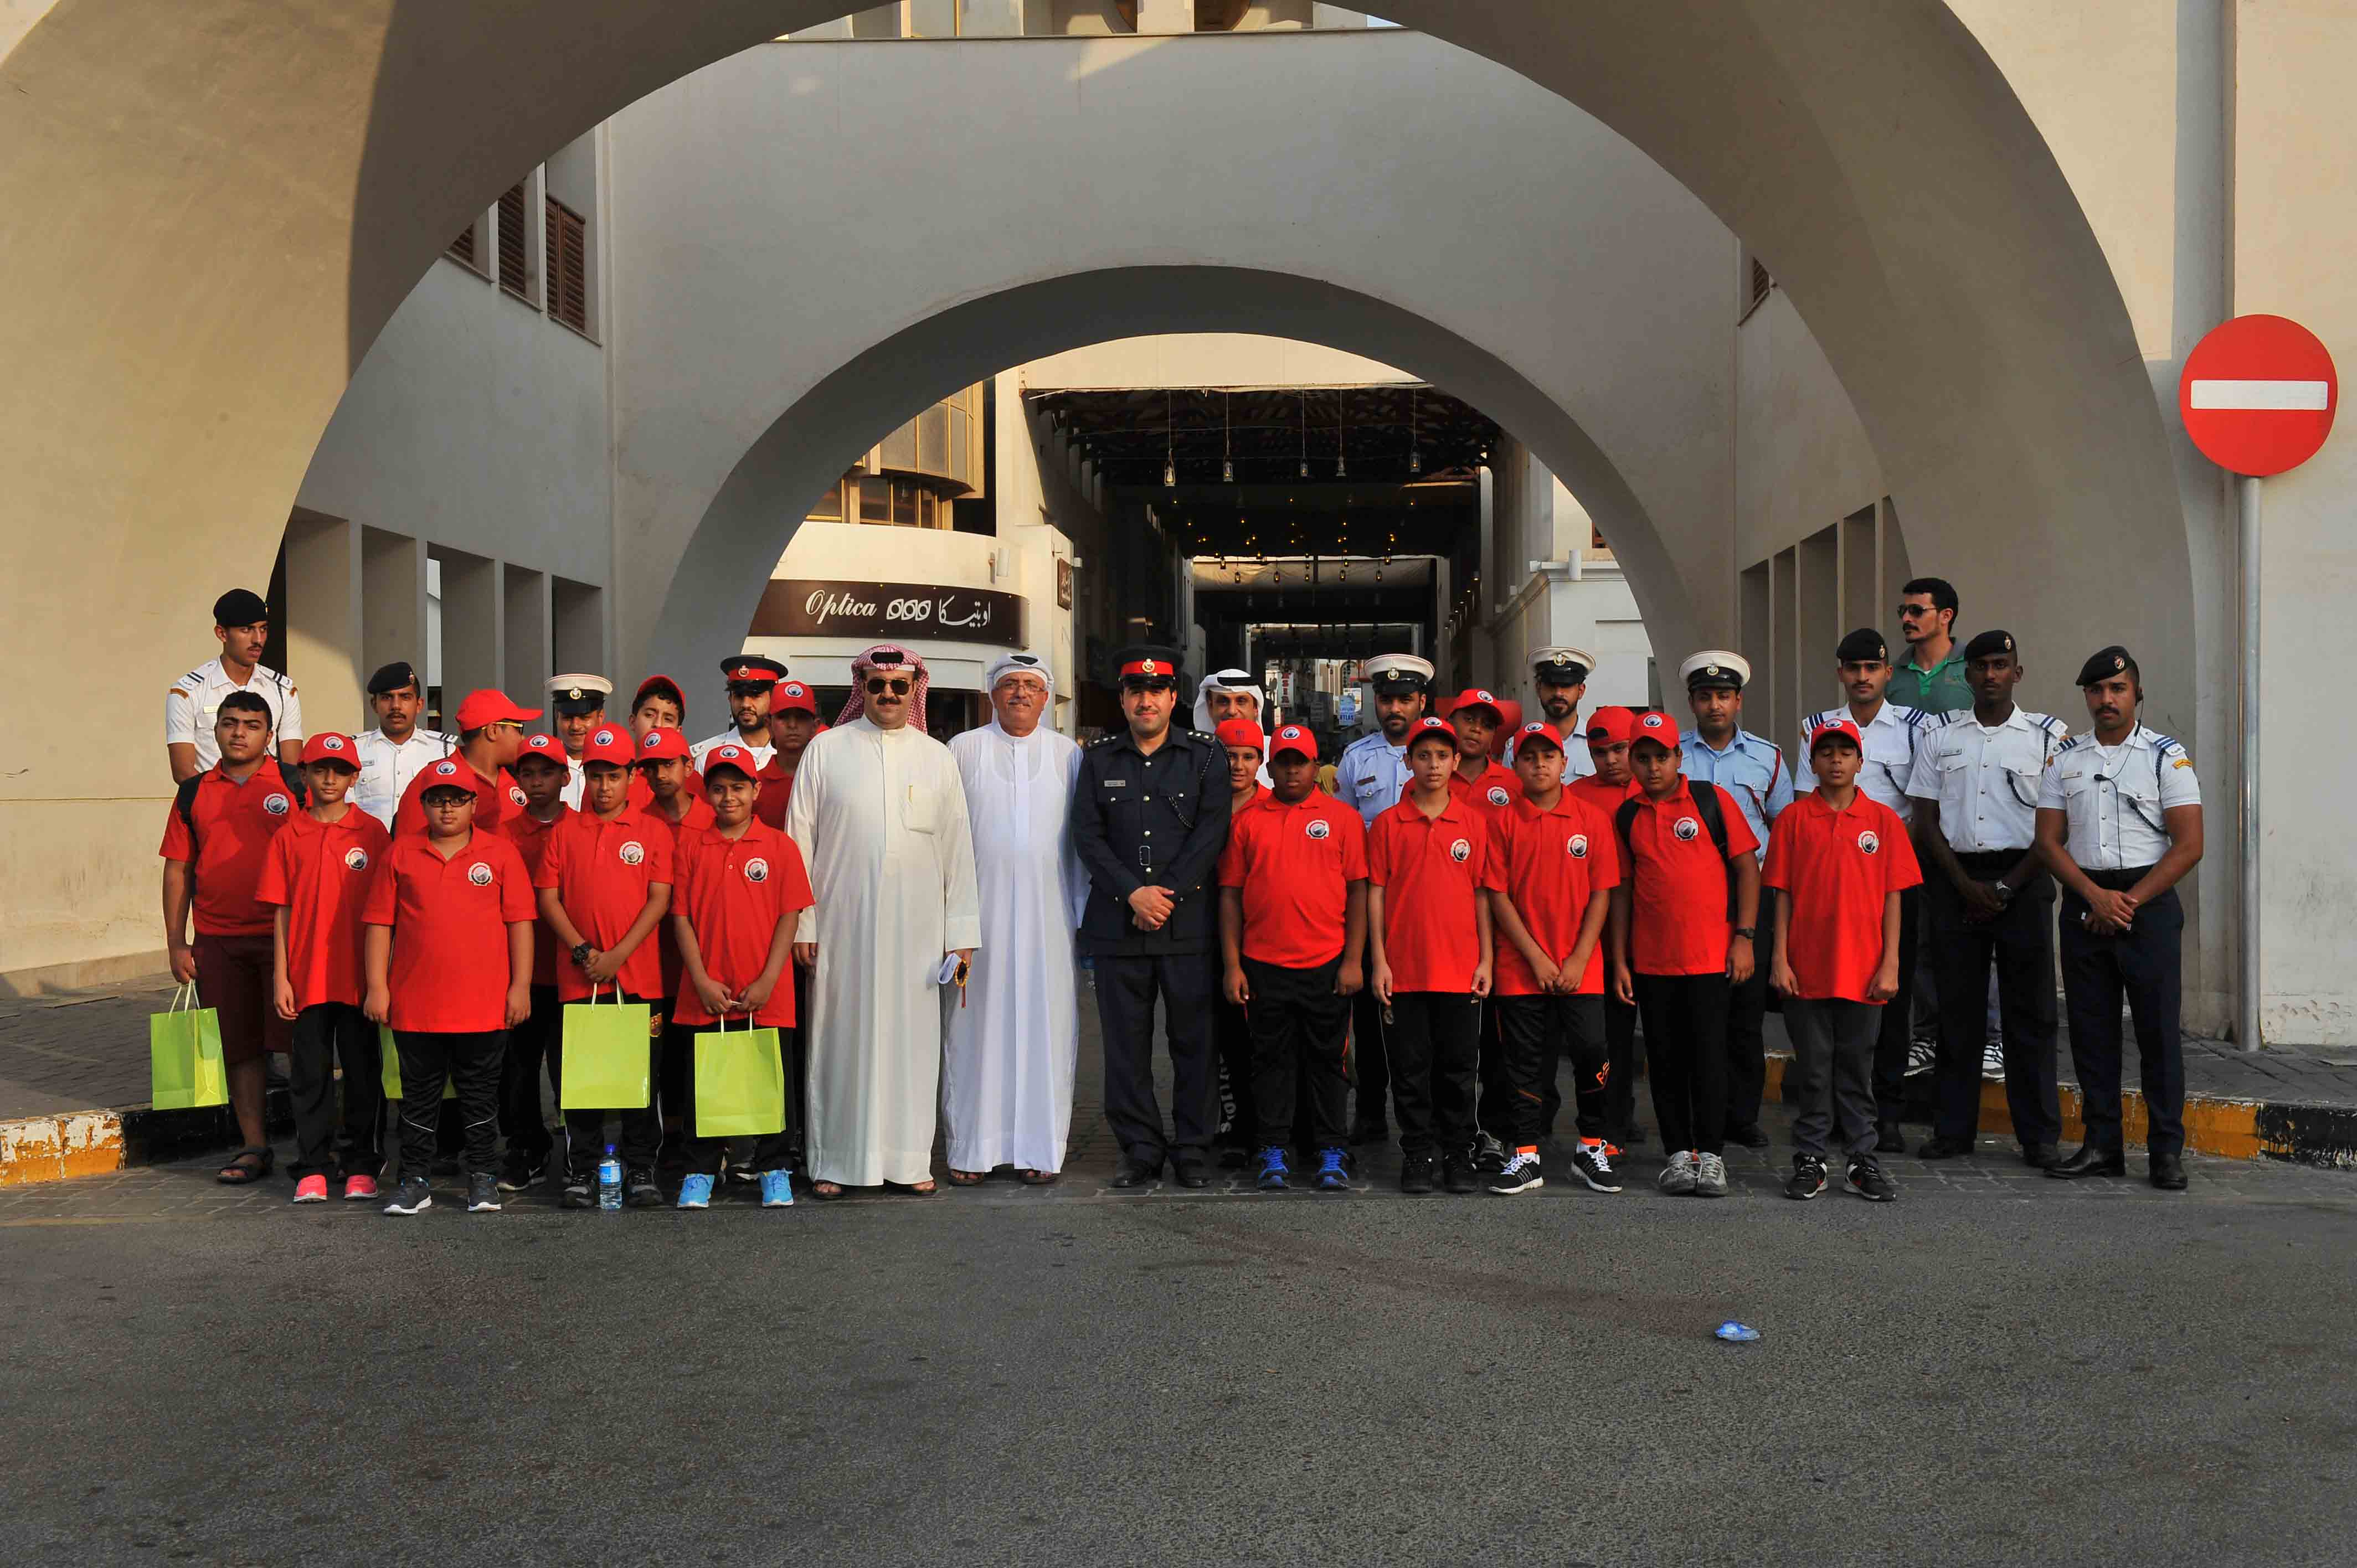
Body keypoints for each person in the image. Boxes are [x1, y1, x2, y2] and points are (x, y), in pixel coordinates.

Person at [788, 643, 980, 1197]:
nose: (889, 695)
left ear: (915, 690)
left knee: (911, 1044)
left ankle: (908, 1160)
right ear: (861, 689)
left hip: (918, 935)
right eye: (877, 685)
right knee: (839, 1040)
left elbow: (957, 851)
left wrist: (961, 936)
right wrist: (803, 924)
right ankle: (834, 1162)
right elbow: (798, 843)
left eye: (899, 686)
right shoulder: (825, 750)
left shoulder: (936, 758)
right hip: (840, 929)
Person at [2036, 645, 2205, 1190]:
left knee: (2158, 1035)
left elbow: (2188, 845)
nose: (2106, 699)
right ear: (2086, 696)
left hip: (2147, 906)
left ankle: (2165, 1152)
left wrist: (2125, 903)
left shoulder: (2165, 757)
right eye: (2096, 690)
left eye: (2117, 689)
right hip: (2085, 903)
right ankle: (2101, 1145)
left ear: (2136, 694)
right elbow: (2047, 841)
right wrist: (2093, 896)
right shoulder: (2065, 758)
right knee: (2090, 1033)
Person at [1903, 630, 2070, 1167]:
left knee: (2031, 1014)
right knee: (1957, 1011)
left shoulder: (2048, 738)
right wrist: (1962, 884)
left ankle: (2038, 1136)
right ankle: (1952, 1131)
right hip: (1955, 879)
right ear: (1966, 675)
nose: (1991, 674)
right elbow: (1924, 821)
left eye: (2001, 665)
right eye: (1981, 666)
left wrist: (2004, 886)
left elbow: (2058, 826)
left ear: (2016, 673)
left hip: (2024, 876)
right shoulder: (1939, 737)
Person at [1069, 646, 1231, 1190]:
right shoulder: (1098, 759)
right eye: (1136, 691)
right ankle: (1140, 1150)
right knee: (1125, 1048)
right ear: (1123, 699)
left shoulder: (1205, 756)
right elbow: (1087, 836)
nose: (1146, 701)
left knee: (1194, 1045)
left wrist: (1163, 896)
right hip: (1119, 925)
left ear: (1172, 697)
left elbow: (1210, 835)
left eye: (1156, 691)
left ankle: (1193, 1149)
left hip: (1187, 927)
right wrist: (1133, 894)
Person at [362, 775, 536, 1216]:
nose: (447, 809)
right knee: (418, 1098)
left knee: (480, 1096)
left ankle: (483, 1177)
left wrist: (520, 986)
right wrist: (377, 986)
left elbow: (519, 923)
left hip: (484, 1004)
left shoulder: (501, 853)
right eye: (438, 800)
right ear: (423, 805)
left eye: (457, 800)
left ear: (473, 804)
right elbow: (380, 923)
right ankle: (414, 1180)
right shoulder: (400, 853)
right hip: (416, 1004)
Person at [1764, 718, 1921, 1203]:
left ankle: (1860, 1159)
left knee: (1857, 1070)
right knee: (1813, 1070)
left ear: (1860, 761)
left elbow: (1894, 898)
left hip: (1864, 970)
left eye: (1845, 752)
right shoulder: (1794, 820)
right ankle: (1811, 1158)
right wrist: (1779, 959)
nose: (1836, 760)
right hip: (1807, 969)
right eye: (1826, 752)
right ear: (1812, 763)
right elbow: (1782, 895)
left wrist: (1890, 963)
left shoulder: (1884, 822)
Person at [944, 652, 1084, 1185]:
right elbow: (948, 837)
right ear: (992, 695)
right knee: (973, 1030)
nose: (1020, 693)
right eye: (1009, 685)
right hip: (978, 920)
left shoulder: (1067, 754)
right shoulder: (963, 749)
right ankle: (972, 1150)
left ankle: (1038, 1149)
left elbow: (1082, 841)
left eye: (1030, 685)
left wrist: (1081, 916)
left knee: (1047, 1030)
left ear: (1046, 697)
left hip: (1051, 917)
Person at [1608, 709, 1759, 1199]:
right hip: (1653, 962)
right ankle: (1677, 1153)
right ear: (1633, 762)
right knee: (1664, 1059)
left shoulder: (1711, 801)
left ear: (1679, 757)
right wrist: (1621, 959)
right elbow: (1623, 891)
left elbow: (1747, 869)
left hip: (1710, 959)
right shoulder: (1628, 815)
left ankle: (1711, 1155)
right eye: (1643, 758)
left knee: (1710, 1058)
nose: (1653, 768)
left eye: (1662, 757)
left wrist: (1745, 937)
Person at [1218, 724, 1367, 1193]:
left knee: (1329, 1064)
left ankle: (1330, 1148)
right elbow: (1230, 896)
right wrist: (1232, 965)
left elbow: (1358, 892)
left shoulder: (1342, 818)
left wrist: (1353, 960)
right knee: (1270, 1063)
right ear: (1271, 766)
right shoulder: (1247, 821)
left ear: (1314, 765)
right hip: (1263, 964)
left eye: (1300, 762)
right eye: (1283, 762)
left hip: (1327, 963)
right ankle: (1273, 1148)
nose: (1291, 771)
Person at [1803, 628, 1936, 1153]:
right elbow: (1805, 802)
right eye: (1853, 668)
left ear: (1887, 673)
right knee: (1832, 998)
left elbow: (1923, 806)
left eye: (1872, 668)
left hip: (1891, 879)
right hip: (1830, 882)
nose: (1862, 677)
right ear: (1841, 673)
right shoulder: (1817, 727)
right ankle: (1835, 1114)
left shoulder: (1917, 728)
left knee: (1889, 999)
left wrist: (1891, 860)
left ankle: (1887, 1113)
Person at [159, 689, 301, 1184]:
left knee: (302, 1047)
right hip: (218, 940)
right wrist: (177, 942)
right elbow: (178, 869)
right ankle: (254, 1147)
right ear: (215, 730)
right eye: (229, 723)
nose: (239, 732)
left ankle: (317, 1149)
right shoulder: (194, 792)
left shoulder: (295, 785)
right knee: (240, 1049)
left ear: (270, 734)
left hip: (287, 940)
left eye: (252, 724)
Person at [535, 724, 674, 1208]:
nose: (604, 786)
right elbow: (549, 899)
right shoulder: (565, 831)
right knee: (582, 1081)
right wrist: (583, 952)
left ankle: (641, 1167)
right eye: (595, 776)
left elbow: (659, 900)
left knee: (641, 1079)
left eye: (614, 776)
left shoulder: (652, 831)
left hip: (638, 978)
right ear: (585, 777)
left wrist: (617, 956)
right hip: (580, 980)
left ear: (632, 776)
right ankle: (583, 1169)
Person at [671, 742, 814, 1210]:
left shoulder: (779, 846)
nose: (728, 797)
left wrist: (770, 979)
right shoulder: (692, 846)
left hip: (766, 991)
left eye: (738, 787)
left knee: (771, 1080)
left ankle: (774, 1167)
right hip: (707, 991)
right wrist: (701, 980)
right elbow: (681, 918)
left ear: (756, 790)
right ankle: (700, 1169)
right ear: (707, 794)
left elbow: (790, 916)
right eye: (718, 789)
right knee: (705, 1083)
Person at [1486, 721, 1620, 1196]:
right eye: (1529, 757)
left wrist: (1579, 958)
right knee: (1523, 1063)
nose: (1539, 765)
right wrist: (1537, 959)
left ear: (1565, 763)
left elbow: (1602, 893)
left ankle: (1591, 1147)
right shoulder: (1502, 821)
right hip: (1520, 966)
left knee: (1591, 1053)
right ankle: (1525, 1154)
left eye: (1548, 756)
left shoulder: (1591, 819)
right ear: (1515, 765)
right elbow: (1498, 896)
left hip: (1582, 967)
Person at [1367, 716, 1499, 1194]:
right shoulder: (1387, 824)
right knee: (1409, 1070)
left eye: (1443, 756)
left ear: (1456, 761)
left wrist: (1486, 960)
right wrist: (1379, 961)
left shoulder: (1474, 823)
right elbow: (1376, 893)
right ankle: (1418, 1153)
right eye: (1423, 756)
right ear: (1408, 762)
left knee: (1459, 1069)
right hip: (1404, 970)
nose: (1434, 765)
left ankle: (1458, 1153)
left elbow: (1482, 894)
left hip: (1459, 970)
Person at [257, 733, 390, 1203]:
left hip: (358, 979)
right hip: (307, 978)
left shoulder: (372, 833)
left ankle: (362, 1163)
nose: (330, 779)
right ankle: (312, 1164)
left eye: (340, 771)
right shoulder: (288, 834)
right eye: (320, 769)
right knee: (310, 1076)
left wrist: (381, 979)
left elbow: (386, 912)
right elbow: (282, 911)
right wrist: (282, 976)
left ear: (355, 778)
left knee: (362, 1074)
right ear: (305, 775)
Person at [1677, 651, 1792, 1151]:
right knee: (1698, 1010)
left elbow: (1782, 830)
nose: (1715, 705)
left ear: (1739, 701)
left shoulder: (1768, 757)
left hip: (1753, 893)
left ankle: (1742, 1116)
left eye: (1724, 696)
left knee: (1746, 1013)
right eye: (1705, 696)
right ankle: (1696, 1110)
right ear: (1692, 703)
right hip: (1693, 896)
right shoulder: (1674, 756)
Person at [1335, 653, 1435, 1148]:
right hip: (1374, 902)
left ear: (1422, 702)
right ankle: (1371, 1111)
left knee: (1425, 1015)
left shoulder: (1437, 755)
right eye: (1387, 699)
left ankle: (1430, 1120)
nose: (1395, 708)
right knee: (1371, 1017)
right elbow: (1343, 833)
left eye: (1405, 699)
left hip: (1427, 905)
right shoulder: (1357, 758)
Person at [495, 733, 571, 1192]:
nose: (537, 781)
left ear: (566, 777)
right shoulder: (502, 835)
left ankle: (580, 1149)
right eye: (528, 773)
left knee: (571, 1065)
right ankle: (526, 1145)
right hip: (520, 972)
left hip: (574, 970)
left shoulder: (583, 828)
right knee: (518, 1067)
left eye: (547, 772)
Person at [1568, 707, 1644, 1147]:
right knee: (1608, 1039)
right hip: (1597, 938)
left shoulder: (1658, 787)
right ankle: (1612, 1119)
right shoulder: (1575, 796)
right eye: (1600, 752)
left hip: (1656, 935)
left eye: (1620, 749)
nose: (1611, 760)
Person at [1210, 716, 1272, 1163]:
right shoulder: (1202, 803)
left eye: (1248, 757)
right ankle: (1233, 1125)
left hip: (1263, 937)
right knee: (1224, 1038)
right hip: (1209, 935)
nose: (1238, 765)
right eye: (1230, 756)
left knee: (1263, 1040)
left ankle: (1270, 1127)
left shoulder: (1274, 806)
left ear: (1260, 761)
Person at [166, 587, 303, 781]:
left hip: (267, 795)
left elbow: (293, 769)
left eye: (263, 629)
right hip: (211, 796)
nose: (258, 640)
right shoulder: (187, 692)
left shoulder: (283, 690)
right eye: (246, 630)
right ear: (222, 634)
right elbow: (183, 772)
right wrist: (225, 796)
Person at [390, 689, 535, 837]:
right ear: (493, 730)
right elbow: (408, 847)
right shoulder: (431, 780)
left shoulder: (519, 778)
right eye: (518, 728)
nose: (523, 737)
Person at [352, 661, 453, 829]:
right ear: (374, 705)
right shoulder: (354, 749)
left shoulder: (444, 750)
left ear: (419, 705)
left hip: (423, 844)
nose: (396, 706)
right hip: (364, 844)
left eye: (405, 697)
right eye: (387, 698)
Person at [1887, 577, 1970, 716]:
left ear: (1946, 616)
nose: (1906, 618)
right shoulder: (1891, 674)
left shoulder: (1974, 667)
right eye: (1903, 610)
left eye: (1916, 611)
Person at [693, 655, 789, 771]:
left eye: (755, 695)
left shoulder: (794, 753)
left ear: (773, 698)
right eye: (739, 696)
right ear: (730, 699)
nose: (745, 704)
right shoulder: (706, 756)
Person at [752, 679, 825, 831]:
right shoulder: (754, 787)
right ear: (769, 725)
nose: (792, 725)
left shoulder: (828, 783)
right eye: (784, 717)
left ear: (815, 726)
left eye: (801, 717)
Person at [1529, 647, 1600, 778]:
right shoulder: (1519, 747)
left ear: (1581, 691)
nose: (1558, 693)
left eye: (1567, 685)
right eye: (1551, 685)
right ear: (1538, 689)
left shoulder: (1599, 743)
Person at [544, 673, 612, 809]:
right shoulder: (544, 768)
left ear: (600, 717)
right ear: (557, 717)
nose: (575, 726)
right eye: (567, 718)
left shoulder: (615, 766)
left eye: (584, 717)